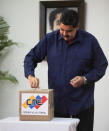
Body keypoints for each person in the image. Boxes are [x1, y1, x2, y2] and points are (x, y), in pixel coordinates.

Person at [24, 9, 108, 131]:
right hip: (57, 104)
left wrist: (85, 79)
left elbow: (101, 65)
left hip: (83, 104)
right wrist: (30, 75)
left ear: (77, 27)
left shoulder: (90, 41)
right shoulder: (50, 39)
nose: (64, 33)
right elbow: (31, 57)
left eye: (69, 31)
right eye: (62, 29)